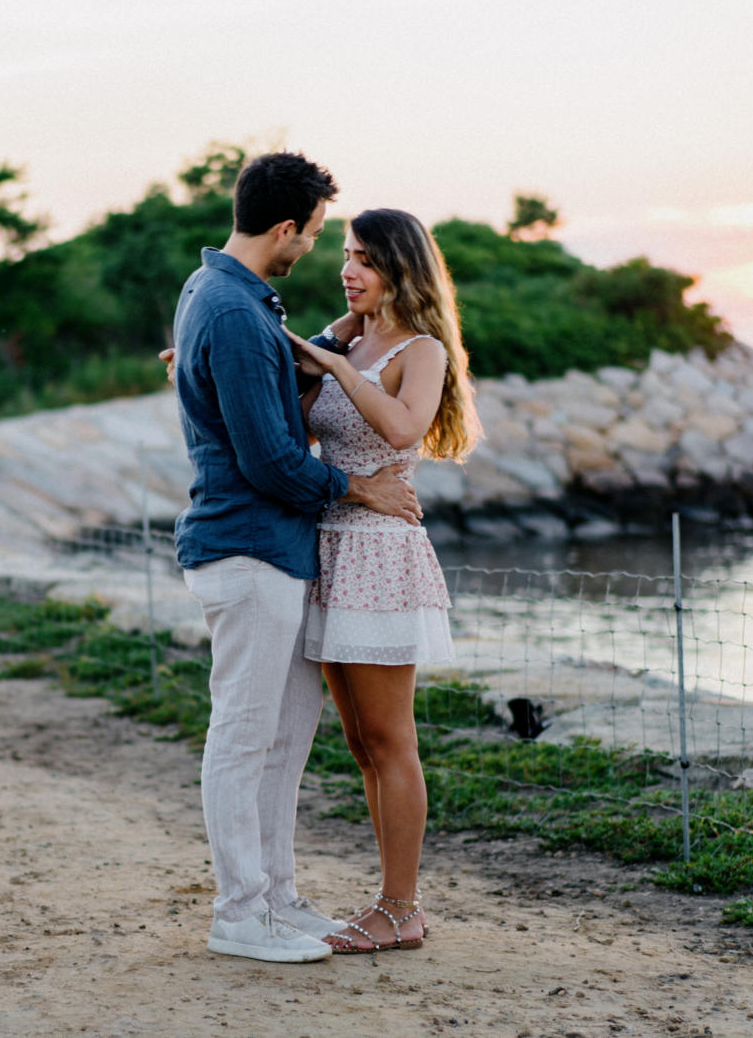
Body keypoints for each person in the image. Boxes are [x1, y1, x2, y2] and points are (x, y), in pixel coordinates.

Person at [169, 153, 425, 964]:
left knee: (282, 737)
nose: (317, 251)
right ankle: (240, 912)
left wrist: (334, 339)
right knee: (243, 737)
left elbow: (269, 374)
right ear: (284, 228)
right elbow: (273, 460)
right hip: (246, 547)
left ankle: (276, 896)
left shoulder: (223, 294)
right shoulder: (236, 312)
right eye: (317, 237)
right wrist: (361, 489)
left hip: (274, 552)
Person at [282, 208, 480, 953]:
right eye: (345, 253)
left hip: (379, 554)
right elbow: (294, 412)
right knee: (362, 741)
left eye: (364, 257)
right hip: (329, 548)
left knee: (393, 738)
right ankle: (388, 902)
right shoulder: (351, 336)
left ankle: (402, 905)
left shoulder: (421, 349)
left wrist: (337, 365)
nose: (348, 268)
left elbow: (402, 429)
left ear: (400, 266)